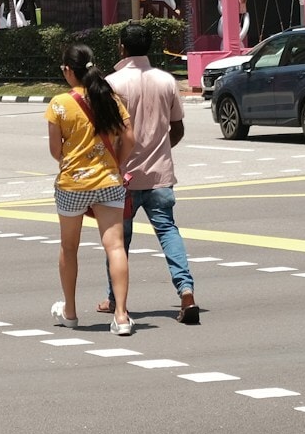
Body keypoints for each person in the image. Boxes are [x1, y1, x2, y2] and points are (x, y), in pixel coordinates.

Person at [101, 23, 198, 325]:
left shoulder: (112, 83)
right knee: (168, 231)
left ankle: (117, 301)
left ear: (122, 48)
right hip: (160, 175)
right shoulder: (166, 80)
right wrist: (160, 150)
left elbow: (105, 133)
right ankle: (186, 291)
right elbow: (177, 128)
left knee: (118, 241)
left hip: (123, 177)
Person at [46, 43, 133, 336]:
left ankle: (70, 311)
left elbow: (55, 151)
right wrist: (117, 166)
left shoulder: (59, 104)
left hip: (73, 184)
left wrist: (74, 163)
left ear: (69, 71)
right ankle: (121, 315)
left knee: (69, 248)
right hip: (109, 182)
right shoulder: (109, 98)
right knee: (116, 247)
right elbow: (129, 137)